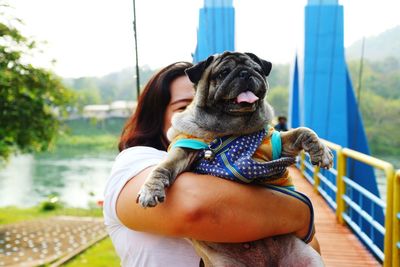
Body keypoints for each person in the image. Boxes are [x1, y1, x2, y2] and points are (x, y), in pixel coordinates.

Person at [103, 61, 318, 267]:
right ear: (157, 117)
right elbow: (195, 207)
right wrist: (300, 214)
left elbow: (310, 246)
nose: (203, 113)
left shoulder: (246, 155)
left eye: (212, 103)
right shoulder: (136, 161)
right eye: (186, 106)